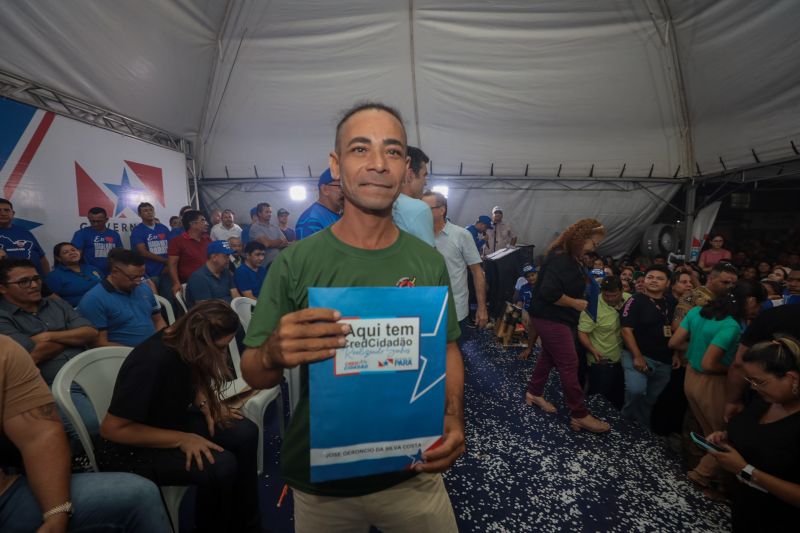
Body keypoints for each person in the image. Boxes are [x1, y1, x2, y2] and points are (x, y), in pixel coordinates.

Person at [240, 102, 463, 532]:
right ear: (336, 164)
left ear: (405, 168)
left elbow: (448, 347)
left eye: (393, 151)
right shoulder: (296, 262)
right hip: (324, 485)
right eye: (361, 149)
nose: (378, 163)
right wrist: (271, 353)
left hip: (414, 472)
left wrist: (453, 416)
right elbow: (254, 372)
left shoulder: (427, 261)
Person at [98, 301, 261, 533]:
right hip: (133, 447)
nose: (224, 353)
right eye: (222, 347)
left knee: (245, 432)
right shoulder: (151, 361)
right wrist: (183, 439)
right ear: (202, 341)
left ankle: (247, 524)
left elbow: (192, 375)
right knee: (220, 466)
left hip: (169, 420)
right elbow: (112, 429)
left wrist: (206, 404)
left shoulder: (185, 340)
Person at [0, 335, 172, 532]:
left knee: (138, 493)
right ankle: (85, 460)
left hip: (7, 496)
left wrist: (56, 513)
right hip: (63, 382)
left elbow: (39, 434)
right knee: (92, 422)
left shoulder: (5, 349)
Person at [669, 281, 765, 498]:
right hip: (712, 384)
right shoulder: (730, 326)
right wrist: (735, 370)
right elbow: (709, 364)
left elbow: (674, 342)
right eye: (759, 304)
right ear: (750, 301)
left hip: (690, 379)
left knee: (710, 432)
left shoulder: (697, 312)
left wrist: (695, 349)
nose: (759, 310)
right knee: (725, 436)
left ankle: (712, 480)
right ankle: (701, 476)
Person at [0, 258, 99, 448]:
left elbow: (90, 332)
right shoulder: (3, 317)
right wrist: (70, 337)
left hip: (90, 371)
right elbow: (30, 355)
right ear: (3, 288)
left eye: (36, 279)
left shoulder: (56, 304)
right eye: (24, 282)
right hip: (50, 384)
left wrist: (48, 336)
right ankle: (82, 459)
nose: (34, 285)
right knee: (91, 425)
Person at [524, 218, 611, 433]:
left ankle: (534, 392)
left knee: (549, 356)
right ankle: (579, 414)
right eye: (593, 242)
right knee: (569, 363)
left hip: (553, 316)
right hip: (551, 317)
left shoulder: (567, 255)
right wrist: (575, 303)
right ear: (582, 238)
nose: (594, 247)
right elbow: (549, 292)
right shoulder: (562, 259)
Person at [705, 337, 800, 532]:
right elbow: (758, 436)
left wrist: (745, 470)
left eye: (759, 381)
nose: (754, 387)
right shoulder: (765, 401)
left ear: (792, 378)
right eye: (750, 380)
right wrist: (726, 438)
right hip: (746, 510)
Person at [422, 190, 488, 339]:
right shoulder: (418, 236)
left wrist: (482, 307)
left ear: (442, 210)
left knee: (454, 351)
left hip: (455, 311)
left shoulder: (461, 235)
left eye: (427, 208)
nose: (422, 212)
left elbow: (477, 271)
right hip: (426, 309)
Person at [619, 264, 675, 429]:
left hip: (665, 360)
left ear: (668, 283)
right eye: (650, 277)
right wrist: (637, 356)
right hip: (638, 355)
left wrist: (677, 355)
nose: (654, 281)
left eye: (659, 278)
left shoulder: (672, 302)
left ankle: (642, 431)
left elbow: (677, 330)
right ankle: (624, 424)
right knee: (636, 390)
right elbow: (626, 330)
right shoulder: (635, 300)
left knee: (651, 399)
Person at [77, 250, 166, 347]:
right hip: (122, 354)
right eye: (133, 277)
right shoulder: (94, 299)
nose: (138, 282)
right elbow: (99, 343)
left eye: (141, 276)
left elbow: (158, 320)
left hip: (154, 347)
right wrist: (137, 352)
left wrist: (161, 342)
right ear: (115, 272)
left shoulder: (143, 288)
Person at [578, 277, 628, 410]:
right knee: (598, 400)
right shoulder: (592, 307)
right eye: (606, 295)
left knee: (617, 399)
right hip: (601, 361)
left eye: (614, 295)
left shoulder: (629, 300)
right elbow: (582, 332)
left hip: (623, 360)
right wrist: (592, 350)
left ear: (622, 291)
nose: (610, 299)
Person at [392, 146, 434, 245]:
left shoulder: (380, 204)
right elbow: (427, 253)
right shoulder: (418, 208)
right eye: (424, 175)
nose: (425, 183)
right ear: (410, 174)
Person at [674, 261, 739, 326]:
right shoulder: (692, 296)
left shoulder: (731, 299)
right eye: (725, 282)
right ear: (710, 279)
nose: (730, 286)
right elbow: (677, 325)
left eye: (734, 283)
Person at [166, 210, 211, 296]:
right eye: (203, 220)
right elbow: (172, 264)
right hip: (191, 284)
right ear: (192, 224)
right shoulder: (177, 241)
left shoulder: (207, 239)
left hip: (210, 280)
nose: (207, 223)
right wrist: (176, 283)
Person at [0, 198, 50, 275]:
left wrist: (47, 278)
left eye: (6, 210)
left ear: (13, 213)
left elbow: (42, 257)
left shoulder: (24, 231)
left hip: (37, 279)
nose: (3, 213)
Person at [129, 202, 170, 295]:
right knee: (154, 299)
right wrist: (166, 261)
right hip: (150, 273)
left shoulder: (163, 228)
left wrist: (169, 265)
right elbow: (143, 252)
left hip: (167, 271)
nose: (149, 212)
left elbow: (172, 248)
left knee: (170, 298)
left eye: (151, 210)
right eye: (145, 211)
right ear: (139, 214)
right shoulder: (137, 230)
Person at [44, 243, 103, 307]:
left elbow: (105, 284)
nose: (72, 253)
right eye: (66, 252)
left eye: (73, 250)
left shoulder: (91, 268)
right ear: (59, 258)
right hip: (77, 310)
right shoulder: (54, 276)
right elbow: (51, 299)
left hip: (104, 304)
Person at [185, 240, 240, 307]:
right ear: (214, 257)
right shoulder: (198, 278)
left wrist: (240, 308)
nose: (228, 259)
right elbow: (206, 308)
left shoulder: (226, 272)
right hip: (213, 312)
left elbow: (235, 294)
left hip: (229, 310)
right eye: (226, 256)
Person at [71, 207, 123, 275]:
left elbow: (120, 255)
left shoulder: (114, 234)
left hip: (111, 274)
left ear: (106, 220)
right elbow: (75, 256)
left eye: (99, 221)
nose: (95, 224)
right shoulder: (81, 234)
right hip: (90, 274)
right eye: (92, 221)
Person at [295, 169, 344, 240]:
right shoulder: (311, 221)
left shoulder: (338, 215)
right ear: (325, 189)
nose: (345, 192)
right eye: (340, 186)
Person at [515, 265, 540, 361]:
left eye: (532, 275)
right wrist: (517, 313)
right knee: (529, 329)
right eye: (528, 276)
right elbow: (520, 302)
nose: (531, 278)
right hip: (527, 312)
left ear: (537, 274)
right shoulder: (523, 288)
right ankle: (532, 346)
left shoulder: (542, 286)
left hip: (540, 313)